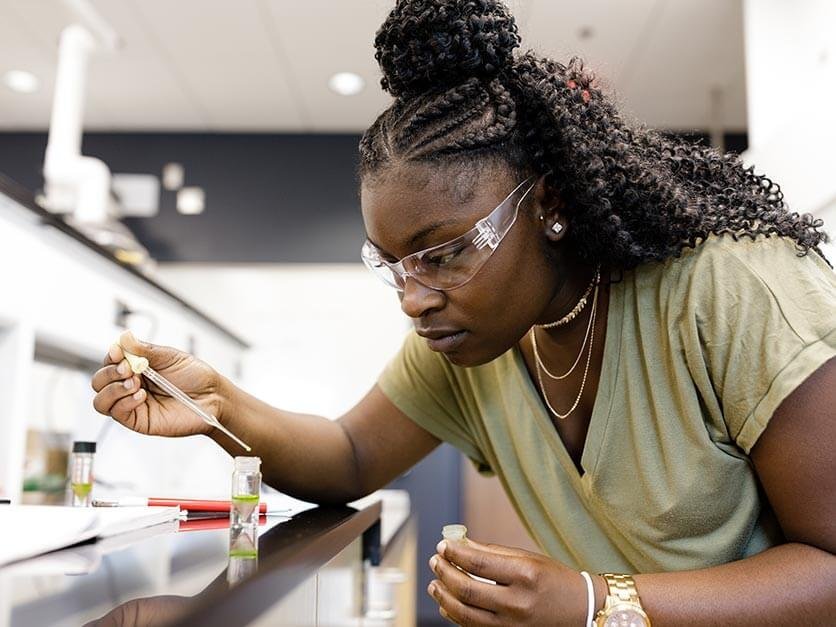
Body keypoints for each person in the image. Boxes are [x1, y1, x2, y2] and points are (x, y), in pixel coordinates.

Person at [92, 0, 836, 624]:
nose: (415, 297)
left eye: (446, 252)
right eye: (392, 266)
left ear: (548, 203)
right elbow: (350, 454)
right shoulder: (475, 341)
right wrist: (218, 403)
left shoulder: (733, 288)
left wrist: (591, 602)